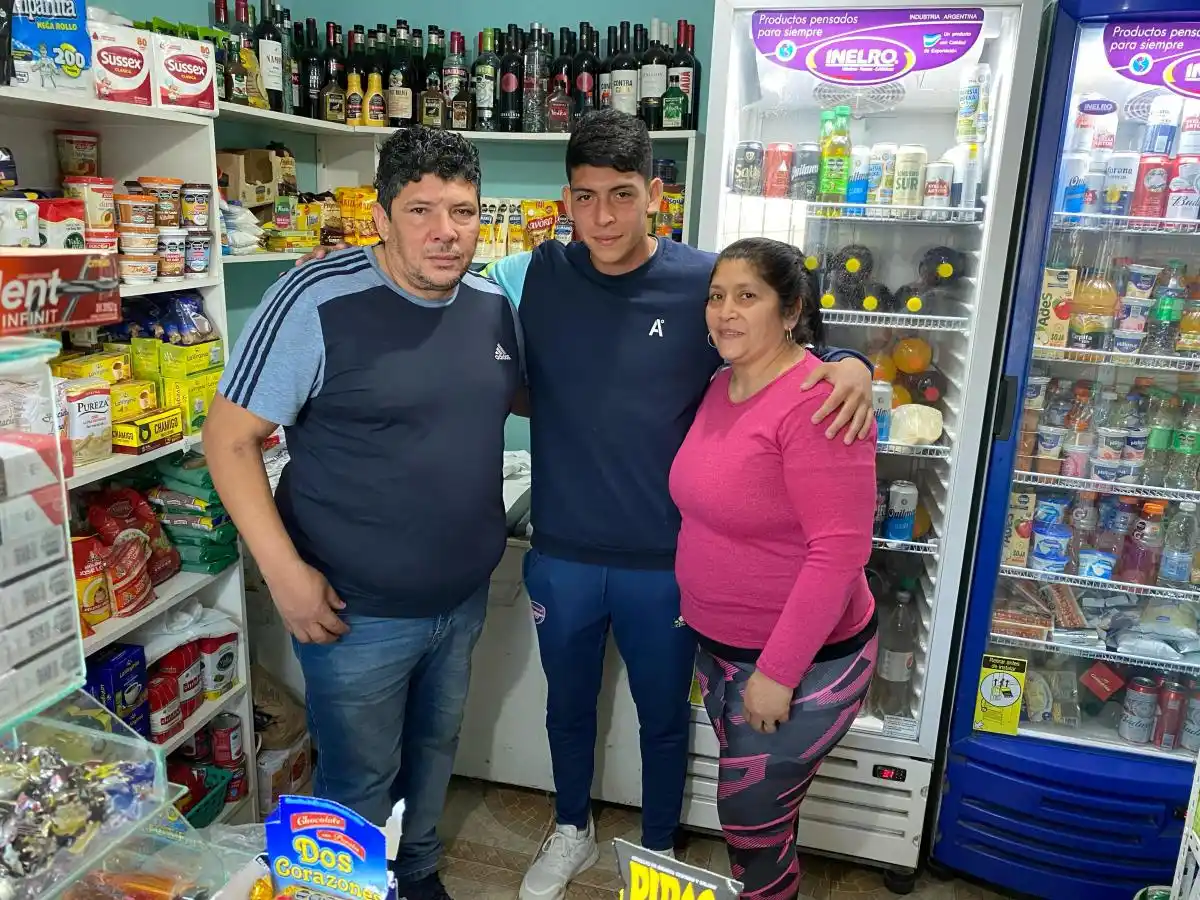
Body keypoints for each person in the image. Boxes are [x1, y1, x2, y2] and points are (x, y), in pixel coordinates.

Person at [294, 111, 873, 900]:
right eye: (586, 197)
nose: (604, 217)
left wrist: (851, 363)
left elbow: (779, 345)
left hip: (666, 560)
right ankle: (571, 828)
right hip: (562, 546)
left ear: (655, 196)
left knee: (662, 718)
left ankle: (660, 857)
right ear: (566, 199)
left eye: (623, 196)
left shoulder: (703, 283)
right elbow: (479, 357)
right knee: (566, 707)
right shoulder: (535, 277)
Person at [203, 128, 520, 900]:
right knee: (357, 779)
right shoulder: (315, 298)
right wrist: (285, 578)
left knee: (434, 749)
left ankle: (414, 875)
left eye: (463, 211)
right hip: (353, 610)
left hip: (460, 597)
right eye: (421, 211)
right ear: (381, 217)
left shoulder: (489, 304)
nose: (446, 232)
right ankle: (343, 892)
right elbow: (228, 440)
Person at [669, 237, 877, 900]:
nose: (725, 312)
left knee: (752, 826)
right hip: (725, 653)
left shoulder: (820, 402)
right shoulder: (717, 386)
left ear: (790, 312)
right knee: (755, 823)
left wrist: (779, 672)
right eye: (717, 296)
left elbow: (840, 552)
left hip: (802, 665)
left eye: (747, 297)